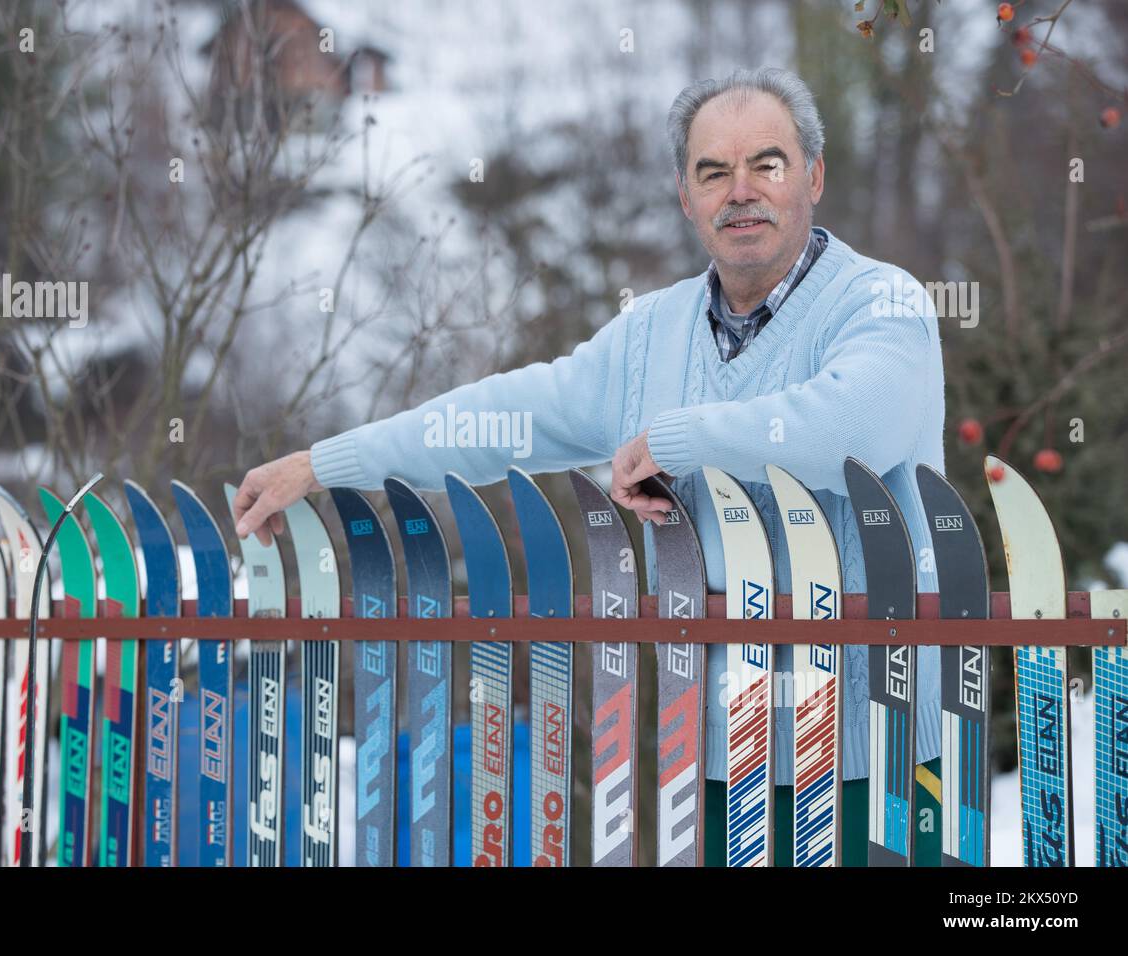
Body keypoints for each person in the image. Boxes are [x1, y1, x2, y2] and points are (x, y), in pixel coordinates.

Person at [232, 66, 945, 866]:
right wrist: (326, 463)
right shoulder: (650, 339)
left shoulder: (884, 304)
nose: (740, 190)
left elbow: (846, 432)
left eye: (767, 164)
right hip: (722, 760)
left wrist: (672, 442)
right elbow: (496, 422)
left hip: (882, 756)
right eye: (714, 171)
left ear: (812, 176)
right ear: (686, 194)